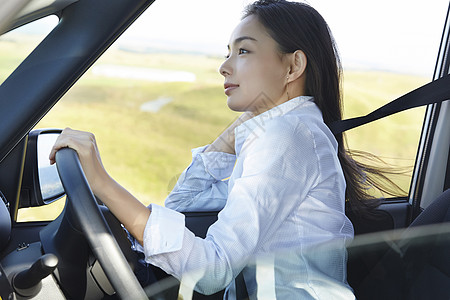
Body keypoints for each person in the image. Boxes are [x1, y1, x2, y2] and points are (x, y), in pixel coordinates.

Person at [48, 0, 381, 298]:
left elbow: (212, 272)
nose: (225, 66)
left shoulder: (286, 136)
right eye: (228, 52)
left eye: (244, 51)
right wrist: (251, 119)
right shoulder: (282, 129)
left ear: (293, 67)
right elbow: (182, 206)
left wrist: (103, 184)